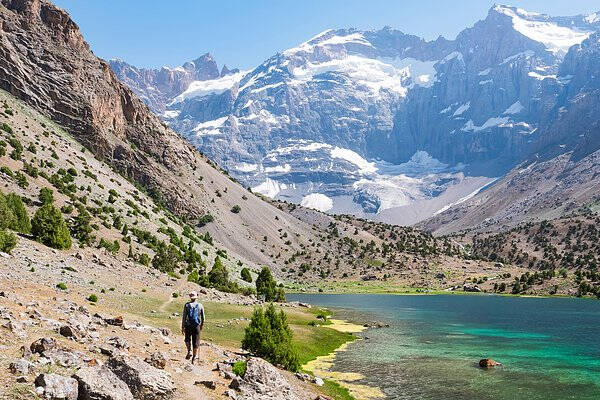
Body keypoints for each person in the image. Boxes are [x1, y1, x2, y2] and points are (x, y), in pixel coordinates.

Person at [181, 291, 205, 364]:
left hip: (188, 325)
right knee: (196, 342)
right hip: (196, 326)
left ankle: (189, 351)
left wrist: (183, 326)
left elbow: (184, 317)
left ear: (190, 297)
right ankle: (194, 358)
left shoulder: (187, 305)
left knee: (187, 339)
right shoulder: (200, 305)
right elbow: (203, 317)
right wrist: (201, 326)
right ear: (196, 297)